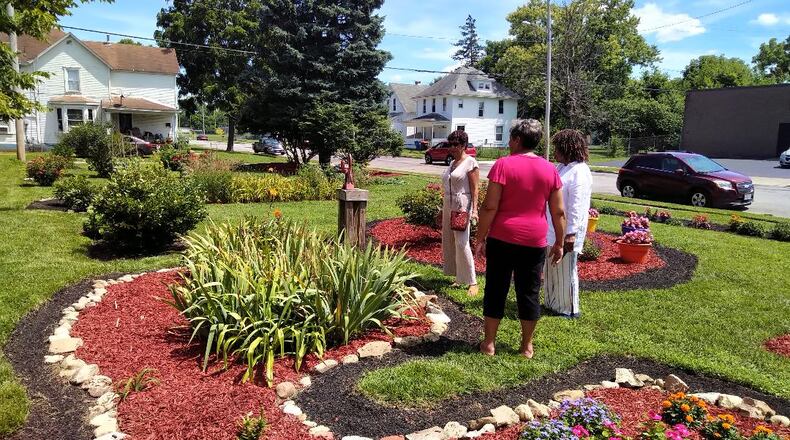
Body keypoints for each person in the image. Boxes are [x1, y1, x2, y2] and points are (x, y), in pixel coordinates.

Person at [473, 119, 566, 358]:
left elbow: (489, 206)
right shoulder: (550, 169)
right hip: (534, 240)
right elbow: (558, 211)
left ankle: (489, 344)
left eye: (510, 138)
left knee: (496, 288)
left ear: (516, 139)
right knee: (529, 291)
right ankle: (526, 347)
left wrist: (480, 238)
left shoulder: (503, 165)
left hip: (503, 237)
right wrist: (560, 242)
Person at [544, 129, 593, 318]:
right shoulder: (561, 168)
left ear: (567, 148)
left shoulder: (579, 171)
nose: (554, 151)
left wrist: (571, 233)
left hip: (567, 230)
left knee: (566, 269)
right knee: (551, 267)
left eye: (557, 148)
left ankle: (568, 308)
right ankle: (552, 302)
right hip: (552, 228)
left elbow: (577, 206)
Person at [441, 130, 481, 296]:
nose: (452, 147)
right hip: (448, 204)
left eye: (455, 144)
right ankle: (459, 277)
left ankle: (473, 281)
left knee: (462, 243)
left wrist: (474, 210)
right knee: (449, 241)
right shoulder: (452, 164)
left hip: (462, 205)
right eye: (450, 144)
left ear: (464, 145)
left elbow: (475, 189)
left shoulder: (470, 163)